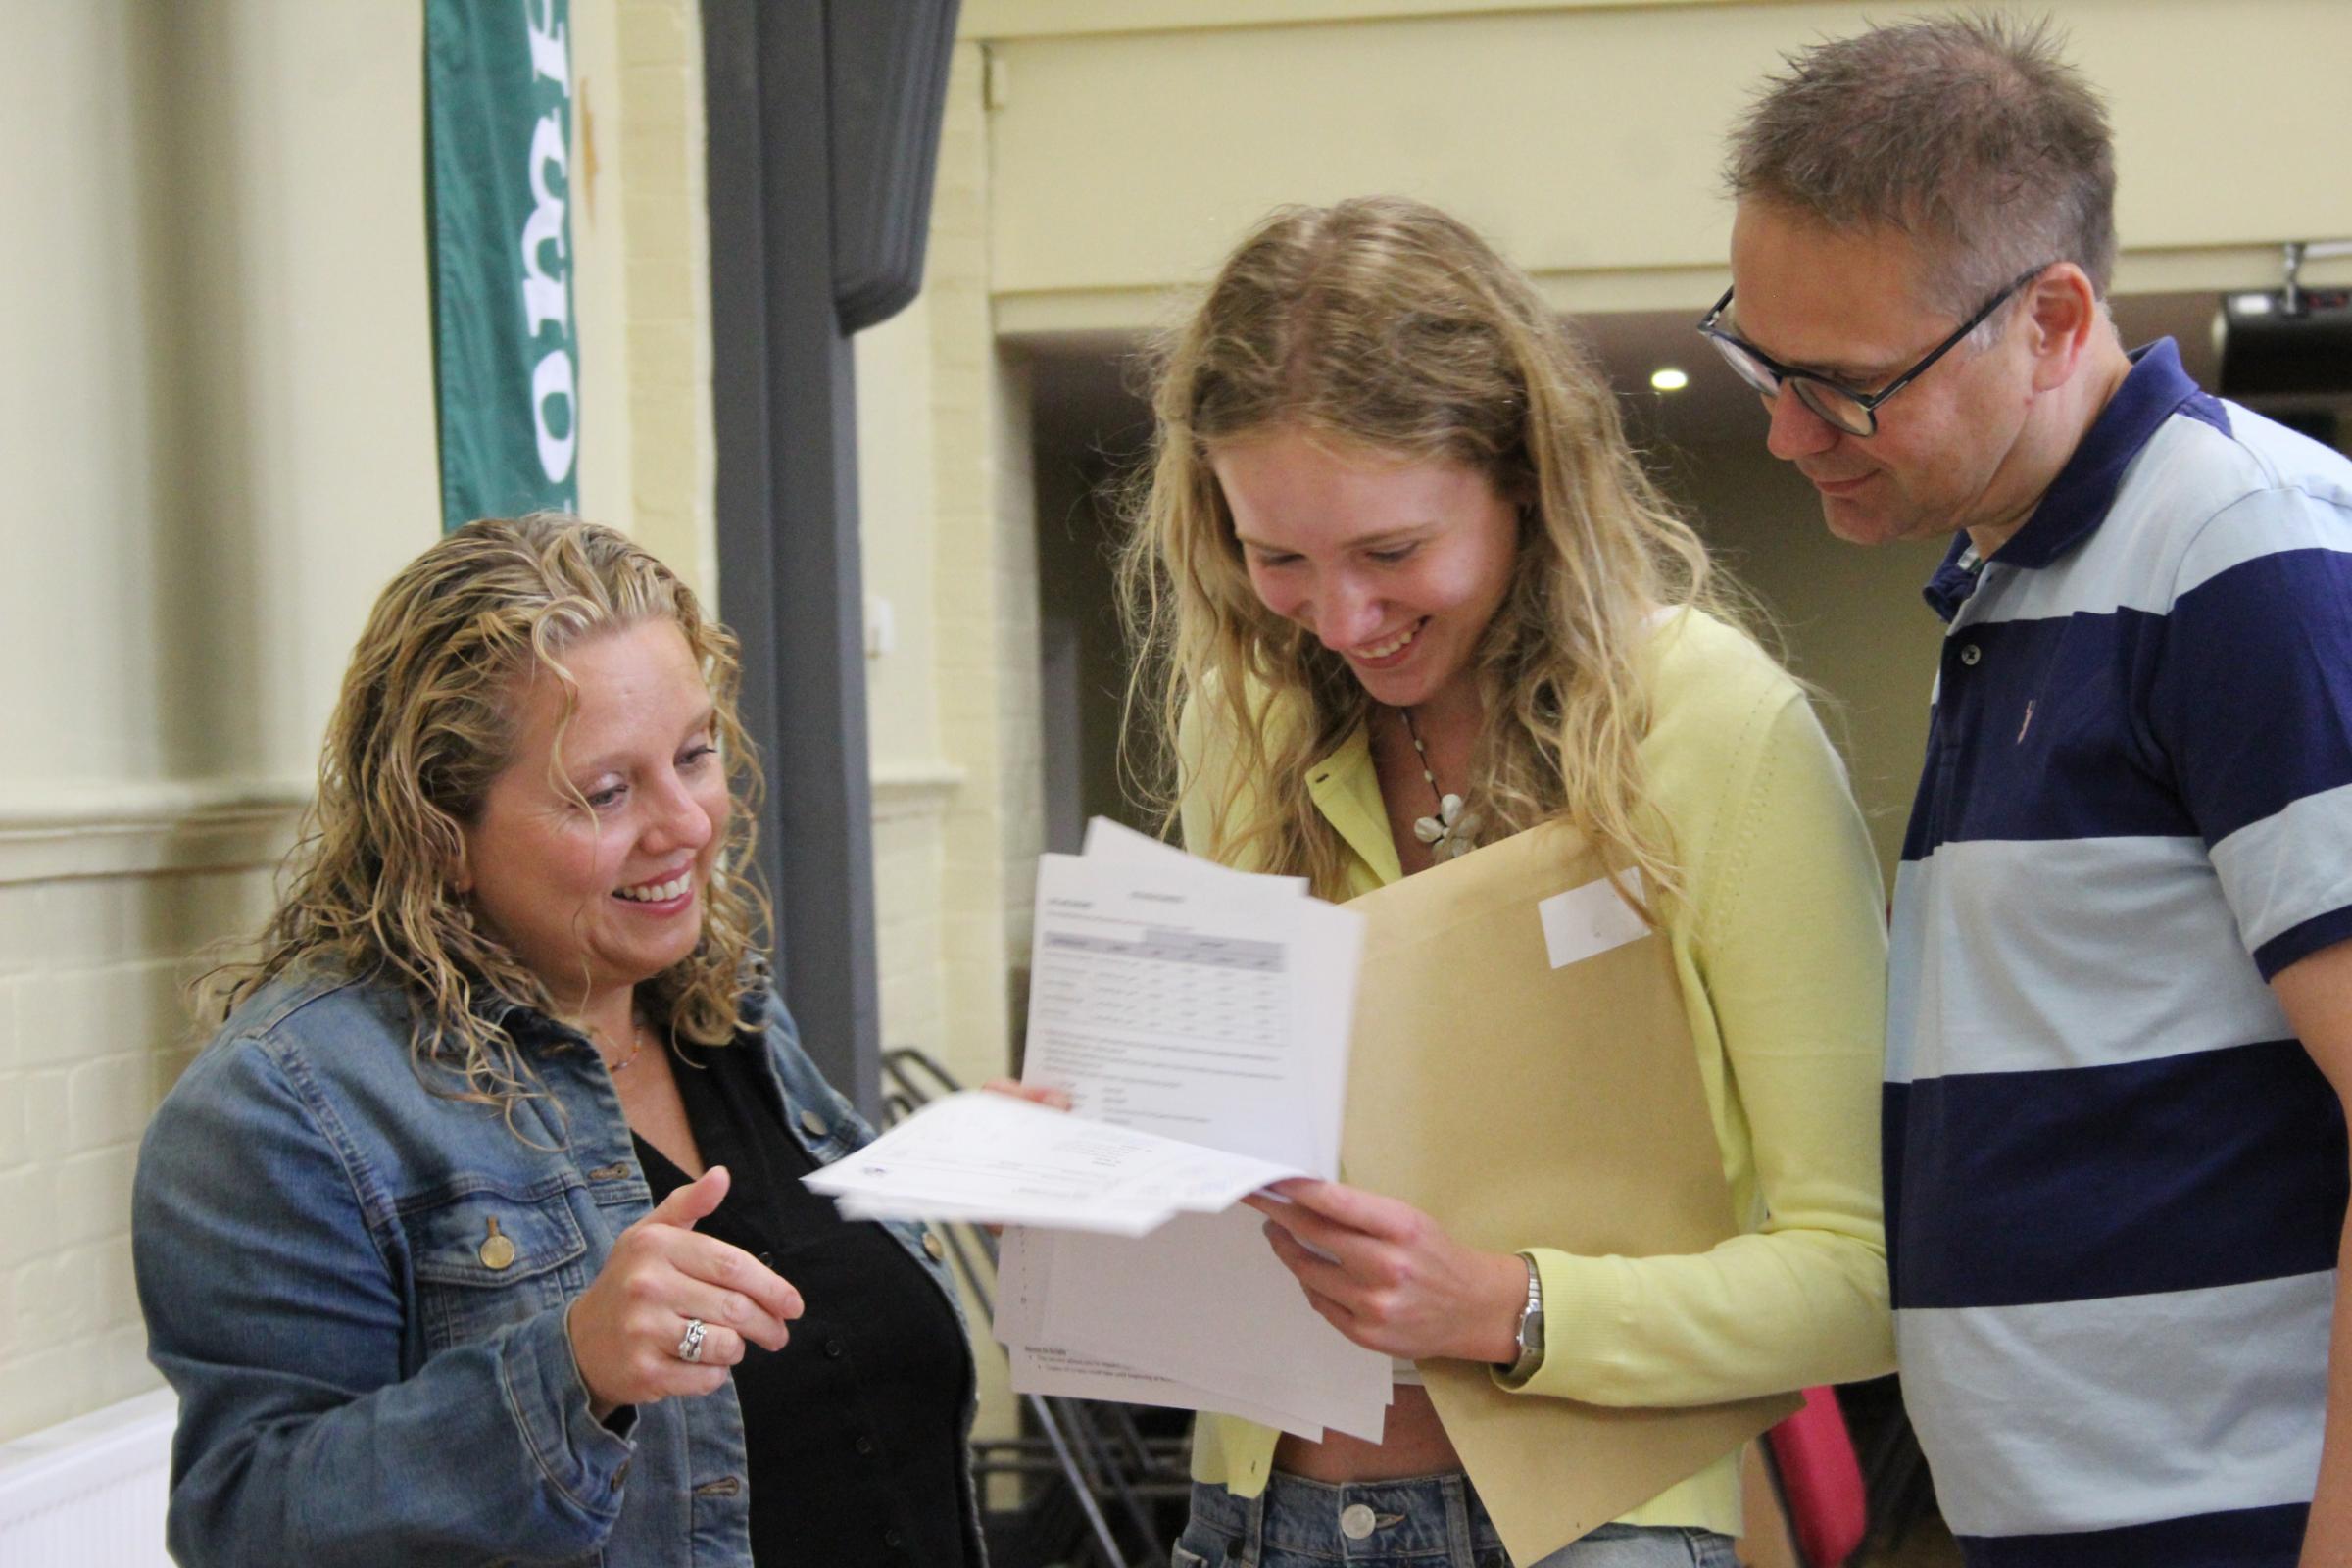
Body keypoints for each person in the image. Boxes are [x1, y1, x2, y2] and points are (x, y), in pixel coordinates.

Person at [1118, 195, 1893, 1568]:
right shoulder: (1243, 720)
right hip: (1251, 1520)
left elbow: (1867, 1273)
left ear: (1525, 481)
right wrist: (1096, 1150)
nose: (1343, 619)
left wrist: (1512, 1309)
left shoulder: (1710, 725)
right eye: (1278, 557)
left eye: (1393, 553)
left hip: (1592, 1533)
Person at [1708, 16, 2352, 1565]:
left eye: (1845, 385)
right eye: (1760, 358)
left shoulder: (2244, 563)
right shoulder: (2018, 570)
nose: (1790, 432)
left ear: (2054, 319)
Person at [132, 516, 985, 1566]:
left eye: (694, 754)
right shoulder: (285, 1108)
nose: (685, 824)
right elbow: (248, 1523)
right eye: (607, 791)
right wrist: (570, 1370)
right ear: (440, 835)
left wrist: (970, 1166)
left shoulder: (723, 1010)